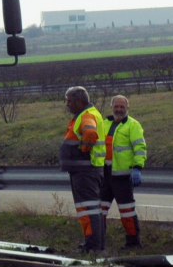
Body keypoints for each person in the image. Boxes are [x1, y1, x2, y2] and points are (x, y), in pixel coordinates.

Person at [60, 86, 105, 253]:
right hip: (84, 170)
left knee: (89, 208)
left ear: (79, 102)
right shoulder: (85, 114)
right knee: (88, 208)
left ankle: (93, 246)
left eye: (70, 101)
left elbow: (90, 133)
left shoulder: (86, 116)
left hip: (85, 170)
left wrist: (84, 150)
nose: (67, 105)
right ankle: (92, 244)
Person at [100, 95, 148, 249]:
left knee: (127, 212)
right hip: (104, 175)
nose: (119, 109)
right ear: (111, 107)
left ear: (128, 108)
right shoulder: (104, 123)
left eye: (122, 107)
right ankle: (98, 241)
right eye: (116, 106)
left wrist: (137, 168)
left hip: (123, 177)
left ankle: (133, 243)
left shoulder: (133, 125)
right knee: (99, 210)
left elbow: (140, 149)